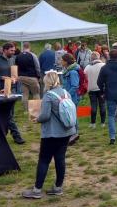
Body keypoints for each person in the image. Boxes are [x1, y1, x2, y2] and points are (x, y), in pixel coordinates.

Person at [21, 71, 76, 199]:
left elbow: (45, 116)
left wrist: (37, 119)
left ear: (47, 82)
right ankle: (58, 187)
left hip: (52, 133)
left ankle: (37, 190)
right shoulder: (66, 93)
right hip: (66, 132)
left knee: (44, 160)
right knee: (60, 159)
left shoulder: (48, 96)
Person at [0, 42, 25, 144]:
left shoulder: (12, 59)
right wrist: (2, 78)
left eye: (14, 50)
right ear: (5, 50)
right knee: (8, 114)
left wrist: (15, 78)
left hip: (12, 90)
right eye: (11, 50)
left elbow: (14, 73)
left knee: (10, 113)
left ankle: (2, 134)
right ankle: (17, 136)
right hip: (0, 91)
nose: (13, 52)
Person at [16, 42, 42, 111]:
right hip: (32, 77)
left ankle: (26, 111)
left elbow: (16, 66)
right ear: (29, 47)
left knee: (25, 94)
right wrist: (39, 76)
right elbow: (37, 66)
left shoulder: (18, 56)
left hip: (21, 77)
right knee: (36, 93)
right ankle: (36, 110)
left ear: (23, 47)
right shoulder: (32, 55)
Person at [84, 51, 106, 128]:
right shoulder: (103, 65)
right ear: (99, 57)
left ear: (91, 58)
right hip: (101, 88)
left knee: (93, 106)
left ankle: (93, 123)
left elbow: (84, 77)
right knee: (102, 105)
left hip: (91, 88)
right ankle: (103, 123)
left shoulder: (87, 67)